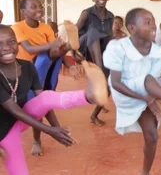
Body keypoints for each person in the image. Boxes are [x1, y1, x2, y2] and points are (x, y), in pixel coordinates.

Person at [0, 24, 108, 175]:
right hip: (3, 131)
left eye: (11, 42)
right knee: (19, 172)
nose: (6, 48)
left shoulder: (27, 66)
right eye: (0, 44)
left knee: (44, 96)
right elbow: (14, 110)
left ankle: (89, 96)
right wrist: (50, 131)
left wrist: (57, 128)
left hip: (21, 119)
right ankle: (68, 45)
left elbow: (43, 101)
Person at [103, 8, 161, 175]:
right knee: (147, 79)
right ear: (132, 28)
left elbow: (153, 82)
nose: (153, 26)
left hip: (144, 92)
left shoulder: (158, 52)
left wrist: (154, 97)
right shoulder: (117, 48)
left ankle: (145, 172)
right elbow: (116, 83)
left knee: (152, 135)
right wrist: (147, 98)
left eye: (153, 21)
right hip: (124, 93)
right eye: (147, 22)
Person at [11, 0, 71, 156]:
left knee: (41, 104)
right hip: (22, 72)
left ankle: (38, 139)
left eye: (40, 6)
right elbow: (29, 49)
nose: (39, 9)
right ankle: (55, 130)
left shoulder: (46, 28)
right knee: (18, 109)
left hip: (42, 71)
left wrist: (69, 56)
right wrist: (53, 45)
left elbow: (55, 50)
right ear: (23, 11)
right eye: (34, 6)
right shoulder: (17, 27)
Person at [76, 0, 114, 126]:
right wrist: (74, 52)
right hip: (85, 46)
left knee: (108, 86)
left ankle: (94, 115)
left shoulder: (110, 16)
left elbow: (109, 36)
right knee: (93, 31)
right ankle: (99, 70)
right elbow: (75, 31)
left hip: (102, 50)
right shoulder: (87, 13)